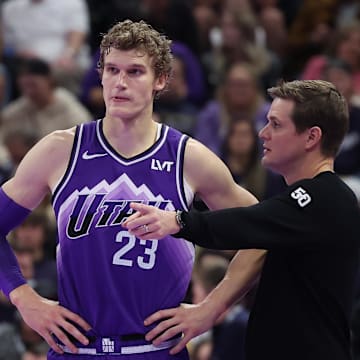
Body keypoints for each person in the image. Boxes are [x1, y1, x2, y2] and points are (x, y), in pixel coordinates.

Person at [0, 19, 265, 359]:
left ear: (161, 80)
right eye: (112, 70)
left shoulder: (189, 157)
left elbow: (260, 234)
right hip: (75, 349)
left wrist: (211, 308)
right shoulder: (60, 149)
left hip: (154, 348)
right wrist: (24, 298)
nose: (120, 83)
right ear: (101, 75)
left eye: (135, 72)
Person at [124, 79, 360, 360]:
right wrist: (209, 308)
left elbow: (248, 224)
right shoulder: (308, 202)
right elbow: (257, 235)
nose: (263, 133)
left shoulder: (325, 198)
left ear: (311, 137)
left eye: (276, 124)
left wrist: (178, 221)